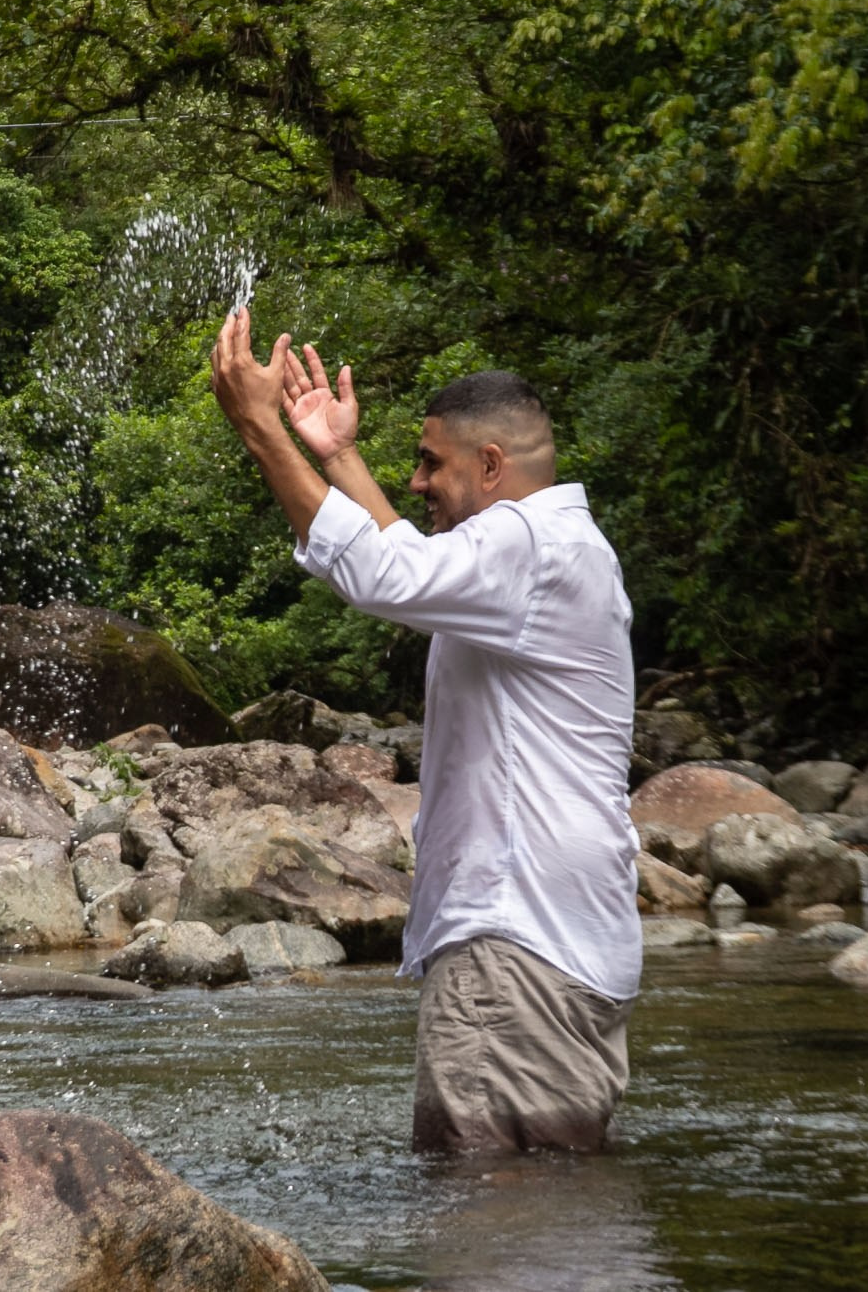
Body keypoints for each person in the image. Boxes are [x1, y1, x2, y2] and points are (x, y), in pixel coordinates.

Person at [209, 310, 639, 1154]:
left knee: (489, 1230)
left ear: (490, 464)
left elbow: (382, 573)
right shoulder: (554, 548)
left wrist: (261, 430)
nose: (415, 480)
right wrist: (335, 454)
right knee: (557, 1222)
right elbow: (410, 569)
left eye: (430, 462)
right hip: (563, 947)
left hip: (515, 947)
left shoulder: (528, 542)